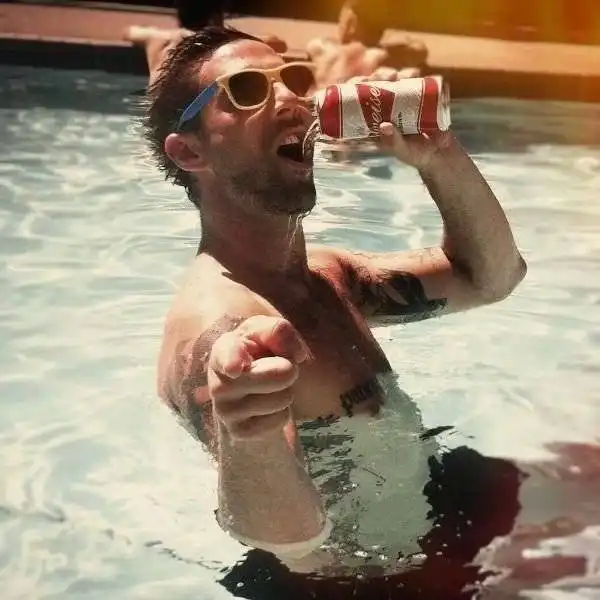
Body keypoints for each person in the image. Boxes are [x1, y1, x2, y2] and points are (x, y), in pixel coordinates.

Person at [143, 25, 527, 597]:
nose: (291, 99)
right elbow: (289, 542)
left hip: (425, 527)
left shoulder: (327, 276)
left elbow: (492, 278)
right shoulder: (221, 328)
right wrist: (250, 431)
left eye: (293, 78)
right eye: (246, 90)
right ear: (190, 152)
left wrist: (439, 157)